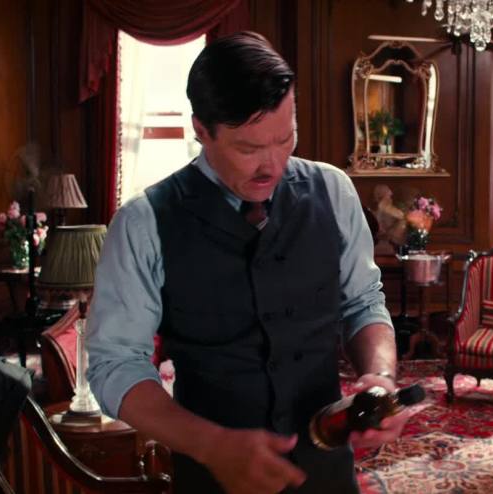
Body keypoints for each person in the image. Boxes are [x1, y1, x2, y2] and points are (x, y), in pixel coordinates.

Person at [86, 32, 408, 494]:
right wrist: (212, 444)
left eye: (285, 139)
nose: (272, 166)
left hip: (327, 475)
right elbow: (116, 365)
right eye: (248, 149)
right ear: (201, 130)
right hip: (211, 479)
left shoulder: (335, 192)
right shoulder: (143, 223)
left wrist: (380, 376)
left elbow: (362, 303)